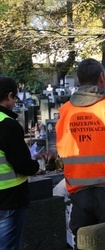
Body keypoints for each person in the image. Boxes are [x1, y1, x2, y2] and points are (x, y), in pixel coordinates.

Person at [56, 58, 105, 249]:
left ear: (78, 80)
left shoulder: (65, 111)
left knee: (83, 241)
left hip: (79, 191)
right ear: (101, 77)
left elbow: (61, 147)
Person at [0, 76, 39, 250]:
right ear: (9, 96)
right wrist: (37, 165)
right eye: (15, 97)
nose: (15, 101)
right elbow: (22, 165)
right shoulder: (7, 125)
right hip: (9, 198)